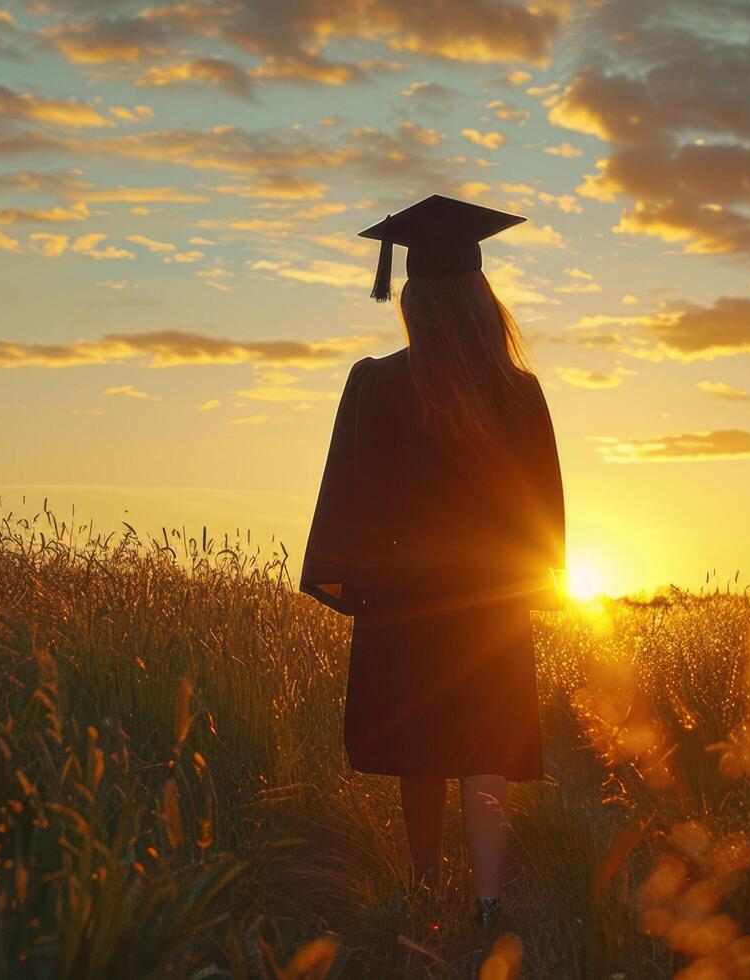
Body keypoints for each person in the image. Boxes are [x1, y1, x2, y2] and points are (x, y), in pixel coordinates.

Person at [300, 195, 566, 927]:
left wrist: (354, 575)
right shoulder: (517, 393)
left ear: (411, 299)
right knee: (483, 743)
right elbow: (539, 504)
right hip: (489, 598)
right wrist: (530, 577)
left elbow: (346, 490)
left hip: (401, 595)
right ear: (483, 300)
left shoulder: (375, 382)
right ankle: (487, 901)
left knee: (418, 744)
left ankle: (424, 888)